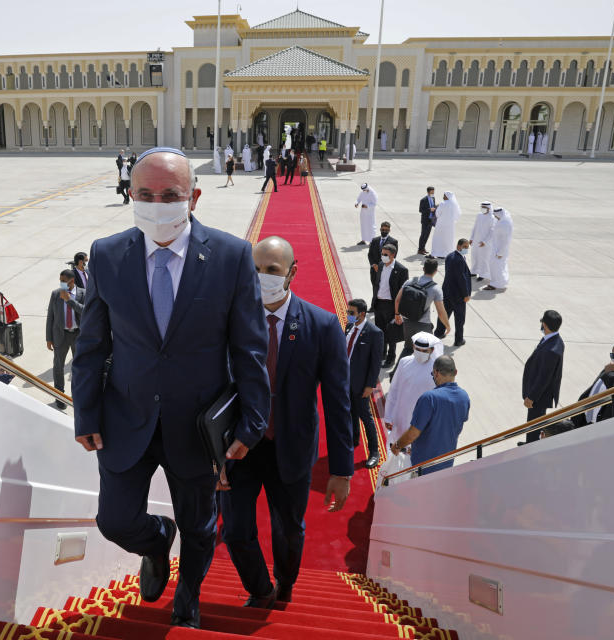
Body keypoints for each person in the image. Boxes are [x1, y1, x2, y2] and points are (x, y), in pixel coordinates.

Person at [71, 147, 270, 629]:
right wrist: (87, 414)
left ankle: (190, 595)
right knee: (114, 521)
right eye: (145, 194)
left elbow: (250, 347)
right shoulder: (107, 254)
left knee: (200, 528)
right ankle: (157, 539)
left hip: (197, 424)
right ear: (131, 195)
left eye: (170, 195)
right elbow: (92, 342)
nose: (157, 204)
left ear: (194, 197)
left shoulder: (231, 256)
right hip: (126, 415)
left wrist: (252, 421)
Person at [221, 236, 352, 608]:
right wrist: (213, 455)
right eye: (256, 270)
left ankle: (286, 582)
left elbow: (338, 402)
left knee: (289, 530)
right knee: (234, 530)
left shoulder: (322, 326)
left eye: (272, 271)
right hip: (240, 445)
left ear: (292, 273)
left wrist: (341, 471)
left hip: (290, 447)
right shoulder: (231, 319)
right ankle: (260, 589)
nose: (262, 277)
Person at [390, 355, 470, 476]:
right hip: (446, 461)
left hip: (423, 464)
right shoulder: (464, 397)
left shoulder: (429, 398)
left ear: (436, 373)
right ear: (455, 372)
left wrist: (397, 445)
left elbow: (413, 434)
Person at [384, 332, 443, 447]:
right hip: (401, 414)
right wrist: (388, 416)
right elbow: (394, 390)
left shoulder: (437, 370)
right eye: (418, 349)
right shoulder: (404, 362)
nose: (420, 353)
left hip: (422, 420)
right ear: (413, 347)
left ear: (431, 350)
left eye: (424, 351)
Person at [345, 299, 382, 469]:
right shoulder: (349, 327)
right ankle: (353, 439)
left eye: (351, 313)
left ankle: (374, 452)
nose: (348, 315)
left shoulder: (374, 333)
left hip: (361, 385)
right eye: (348, 312)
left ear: (362, 314)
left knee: (365, 417)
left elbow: (375, 363)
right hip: (346, 382)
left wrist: (369, 386)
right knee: (350, 412)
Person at [394, 258, 452, 360]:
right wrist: (447, 326)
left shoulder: (410, 281)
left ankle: (396, 373)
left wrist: (397, 314)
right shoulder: (435, 289)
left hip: (407, 322)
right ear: (436, 271)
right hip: (424, 325)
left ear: (423, 268)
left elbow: (397, 300)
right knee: (427, 353)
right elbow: (441, 312)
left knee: (408, 348)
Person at [522, 310, 564, 441]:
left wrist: (531, 397)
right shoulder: (553, 340)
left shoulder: (551, 350)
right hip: (539, 394)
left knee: (534, 424)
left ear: (544, 325)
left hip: (539, 396)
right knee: (533, 423)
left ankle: (531, 445)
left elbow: (544, 378)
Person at [47, 269, 86, 409]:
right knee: (58, 367)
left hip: (78, 335)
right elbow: (50, 317)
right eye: (60, 281)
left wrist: (69, 301)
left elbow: (86, 311)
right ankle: (60, 396)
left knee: (78, 367)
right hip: (60, 336)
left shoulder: (83, 293)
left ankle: (77, 395)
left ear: (72, 281)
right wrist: (48, 338)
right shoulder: (56, 294)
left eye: (64, 281)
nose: (61, 284)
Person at [372, 243, 409, 367]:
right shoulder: (381, 265)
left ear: (393, 255)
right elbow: (378, 283)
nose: (383, 256)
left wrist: (398, 312)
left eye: (385, 254)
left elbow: (403, 293)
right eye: (382, 254)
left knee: (391, 333)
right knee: (379, 331)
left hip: (391, 305)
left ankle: (391, 357)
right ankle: (381, 354)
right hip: (379, 303)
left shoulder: (401, 270)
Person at [435, 239, 471, 346]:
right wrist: (466, 294)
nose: (466, 249)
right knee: (459, 318)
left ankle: (439, 332)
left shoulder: (450, 256)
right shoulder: (459, 260)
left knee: (444, 313)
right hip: (458, 295)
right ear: (458, 246)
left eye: (467, 247)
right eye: (464, 247)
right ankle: (458, 339)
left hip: (447, 291)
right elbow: (462, 279)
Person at [484, 207, 513, 291]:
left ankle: (495, 284)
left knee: (497, 267)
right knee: (496, 266)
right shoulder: (500, 222)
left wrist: (501, 253)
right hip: (495, 249)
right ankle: (498, 282)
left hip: (500, 251)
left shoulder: (505, 224)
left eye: (495, 215)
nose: (494, 216)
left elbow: (505, 241)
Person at [368, 222, 397, 300]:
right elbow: (370, 254)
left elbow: (393, 257)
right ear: (380, 229)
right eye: (383, 229)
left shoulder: (393, 242)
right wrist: (374, 265)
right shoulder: (374, 240)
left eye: (386, 230)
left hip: (385, 269)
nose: (384, 231)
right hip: (374, 269)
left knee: (383, 287)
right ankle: (373, 305)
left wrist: (382, 267)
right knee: (375, 287)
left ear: (389, 230)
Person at [469, 201, 495, 282]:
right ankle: (474, 271)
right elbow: (475, 227)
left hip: (485, 243)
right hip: (476, 240)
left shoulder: (492, 218)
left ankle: (483, 274)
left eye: (484, 207)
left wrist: (485, 241)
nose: (483, 209)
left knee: (483, 258)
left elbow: (492, 232)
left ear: (489, 208)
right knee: (474, 256)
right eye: (482, 207)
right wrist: (472, 238)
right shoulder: (479, 215)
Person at [430, 191, 461, 259]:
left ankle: (436, 253)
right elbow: (458, 215)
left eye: (444, 195)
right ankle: (445, 254)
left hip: (441, 225)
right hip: (450, 226)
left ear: (447, 196)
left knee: (438, 239)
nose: (443, 197)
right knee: (448, 239)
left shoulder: (443, 203)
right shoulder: (455, 204)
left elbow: (437, 213)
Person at [417, 187, 437, 255]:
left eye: (433, 192)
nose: (433, 193)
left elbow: (433, 206)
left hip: (431, 220)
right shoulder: (423, 200)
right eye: (432, 192)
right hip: (425, 220)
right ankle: (420, 249)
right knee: (423, 234)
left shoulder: (433, 198)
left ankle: (423, 248)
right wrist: (429, 209)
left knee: (427, 235)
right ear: (428, 192)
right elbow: (421, 210)